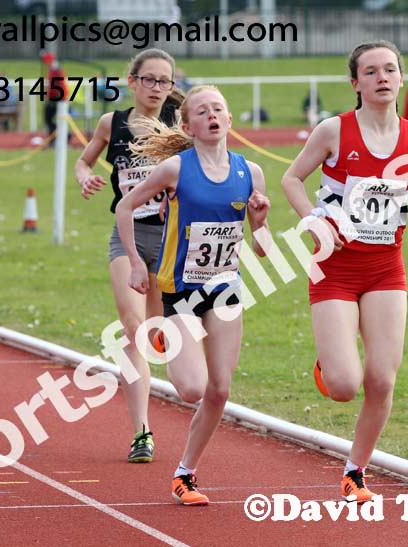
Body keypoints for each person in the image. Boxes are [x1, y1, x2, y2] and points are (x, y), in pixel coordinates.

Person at [281, 40, 408, 503]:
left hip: (385, 270)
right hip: (334, 268)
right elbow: (291, 179)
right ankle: (331, 362)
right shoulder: (333, 131)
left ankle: (355, 471)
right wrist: (313, 220)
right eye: (371, 71)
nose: (382, 78)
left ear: (401, 78)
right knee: (344, 386)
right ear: (355, 82)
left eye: (390, 70)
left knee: (381, 378)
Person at [116, 85, 270, 505]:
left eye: (219, 109)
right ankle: (165, 334)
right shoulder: (175, 170)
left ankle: (185, 472)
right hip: (180, 292)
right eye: (202, 112)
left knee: (220, 390)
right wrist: (133, 261)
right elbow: (125, 207)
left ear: (230, 119)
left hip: (225, 289)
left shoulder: (250, 173)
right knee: (191, 390)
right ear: (189, 126)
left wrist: (261, 222)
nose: (212, 116)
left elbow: (263, 248)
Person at [74, 49, 184, 464]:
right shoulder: (112, 123)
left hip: (172, 238)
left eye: (165, 82)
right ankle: (142, 431)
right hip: (128, 236)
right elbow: (83, 161)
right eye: (150, 79)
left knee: (156, 335)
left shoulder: (181, 123)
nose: (157, 88)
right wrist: (86, 178)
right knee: (133, 325)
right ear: (132, 81)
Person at [44, 60, 68, 140]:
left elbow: (59, 86)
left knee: (56, 119)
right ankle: (55, 137)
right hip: (55, 99)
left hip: (58, 99)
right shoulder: (52, 72)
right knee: (50, 119)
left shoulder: (57, 72)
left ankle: (64, 137)